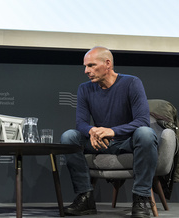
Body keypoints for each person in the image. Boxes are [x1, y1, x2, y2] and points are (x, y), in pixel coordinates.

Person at [60, 46, 158, 218]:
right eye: (85, 66)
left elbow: (142, 121)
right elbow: (81, 123)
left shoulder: (131, 83)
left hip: (127, 141)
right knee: (69, 137)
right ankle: (85, 197)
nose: (86, 71)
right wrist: (92, 131)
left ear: (107, 64)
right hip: (100, 142)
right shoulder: (85, 89)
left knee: (146, 134)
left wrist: (112, 131)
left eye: (91, 65)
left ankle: (141, 199)